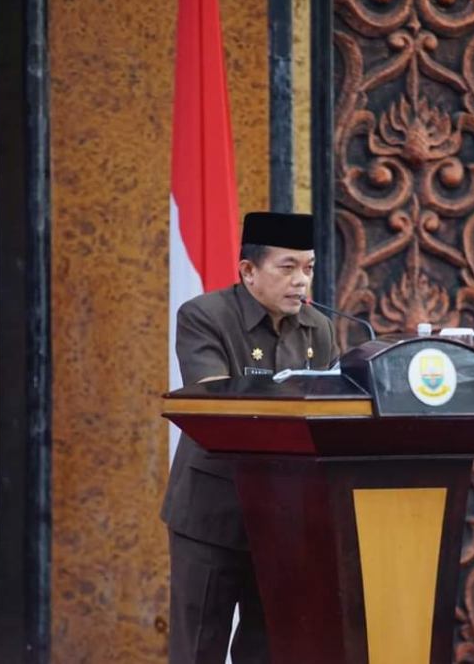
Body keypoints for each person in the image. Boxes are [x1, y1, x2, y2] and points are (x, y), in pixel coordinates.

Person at [160, 211, 339, 663]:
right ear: (248, 271)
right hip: (212, 513)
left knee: (268, 650)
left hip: (284, 519)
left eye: (309, 268)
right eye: (287, 267)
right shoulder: (205, 316)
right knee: (198, 648)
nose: (301, 281)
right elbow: (215, 401)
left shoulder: (318, 328)